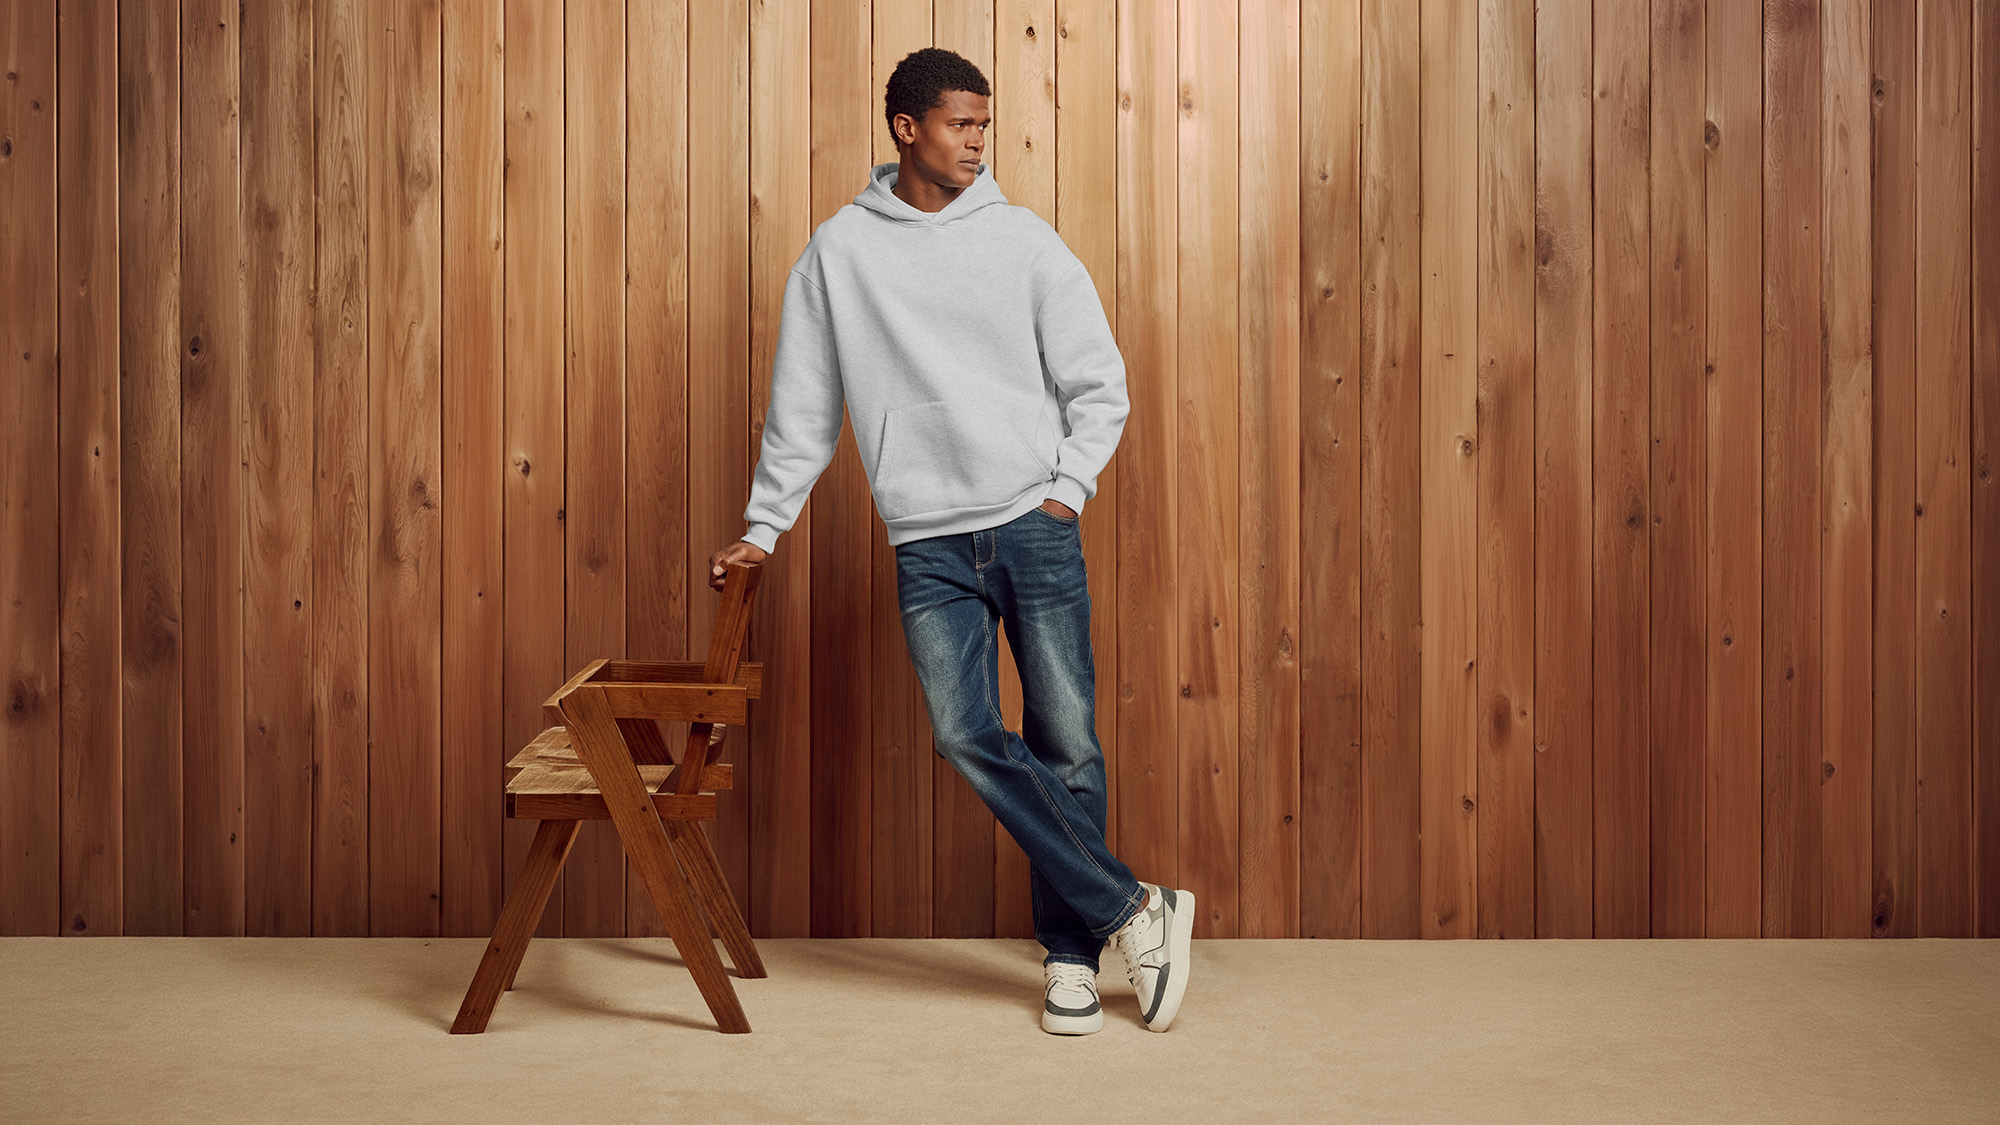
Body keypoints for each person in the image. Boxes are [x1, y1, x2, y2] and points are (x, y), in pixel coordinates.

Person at [706, 47, 1192, 1035]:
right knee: (966, 735)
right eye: (961, 124)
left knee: (1067, 745)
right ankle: (1135, 909)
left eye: (983, 124)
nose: (978, 141)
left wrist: (1064, 492)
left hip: (1032, 524)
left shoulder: (1020, 241)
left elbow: (1097, 379)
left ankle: (1069, 959)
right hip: (925, 542)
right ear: (906, 129)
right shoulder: (838, 254)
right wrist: (764, 528)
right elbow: (801, 409)